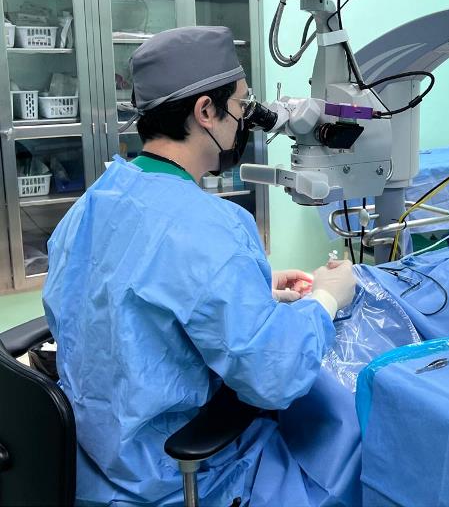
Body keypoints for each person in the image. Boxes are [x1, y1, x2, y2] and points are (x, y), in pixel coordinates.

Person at [42, 26, 357, 505]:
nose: (246, 119)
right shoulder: (212, 226)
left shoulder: (94, 201)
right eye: (242, 104)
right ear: (206, 111)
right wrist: (327, 298)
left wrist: (254, 287)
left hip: (90, 462)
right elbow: (272, 376)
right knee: (346, 449)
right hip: (171, 476)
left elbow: (122, 300)